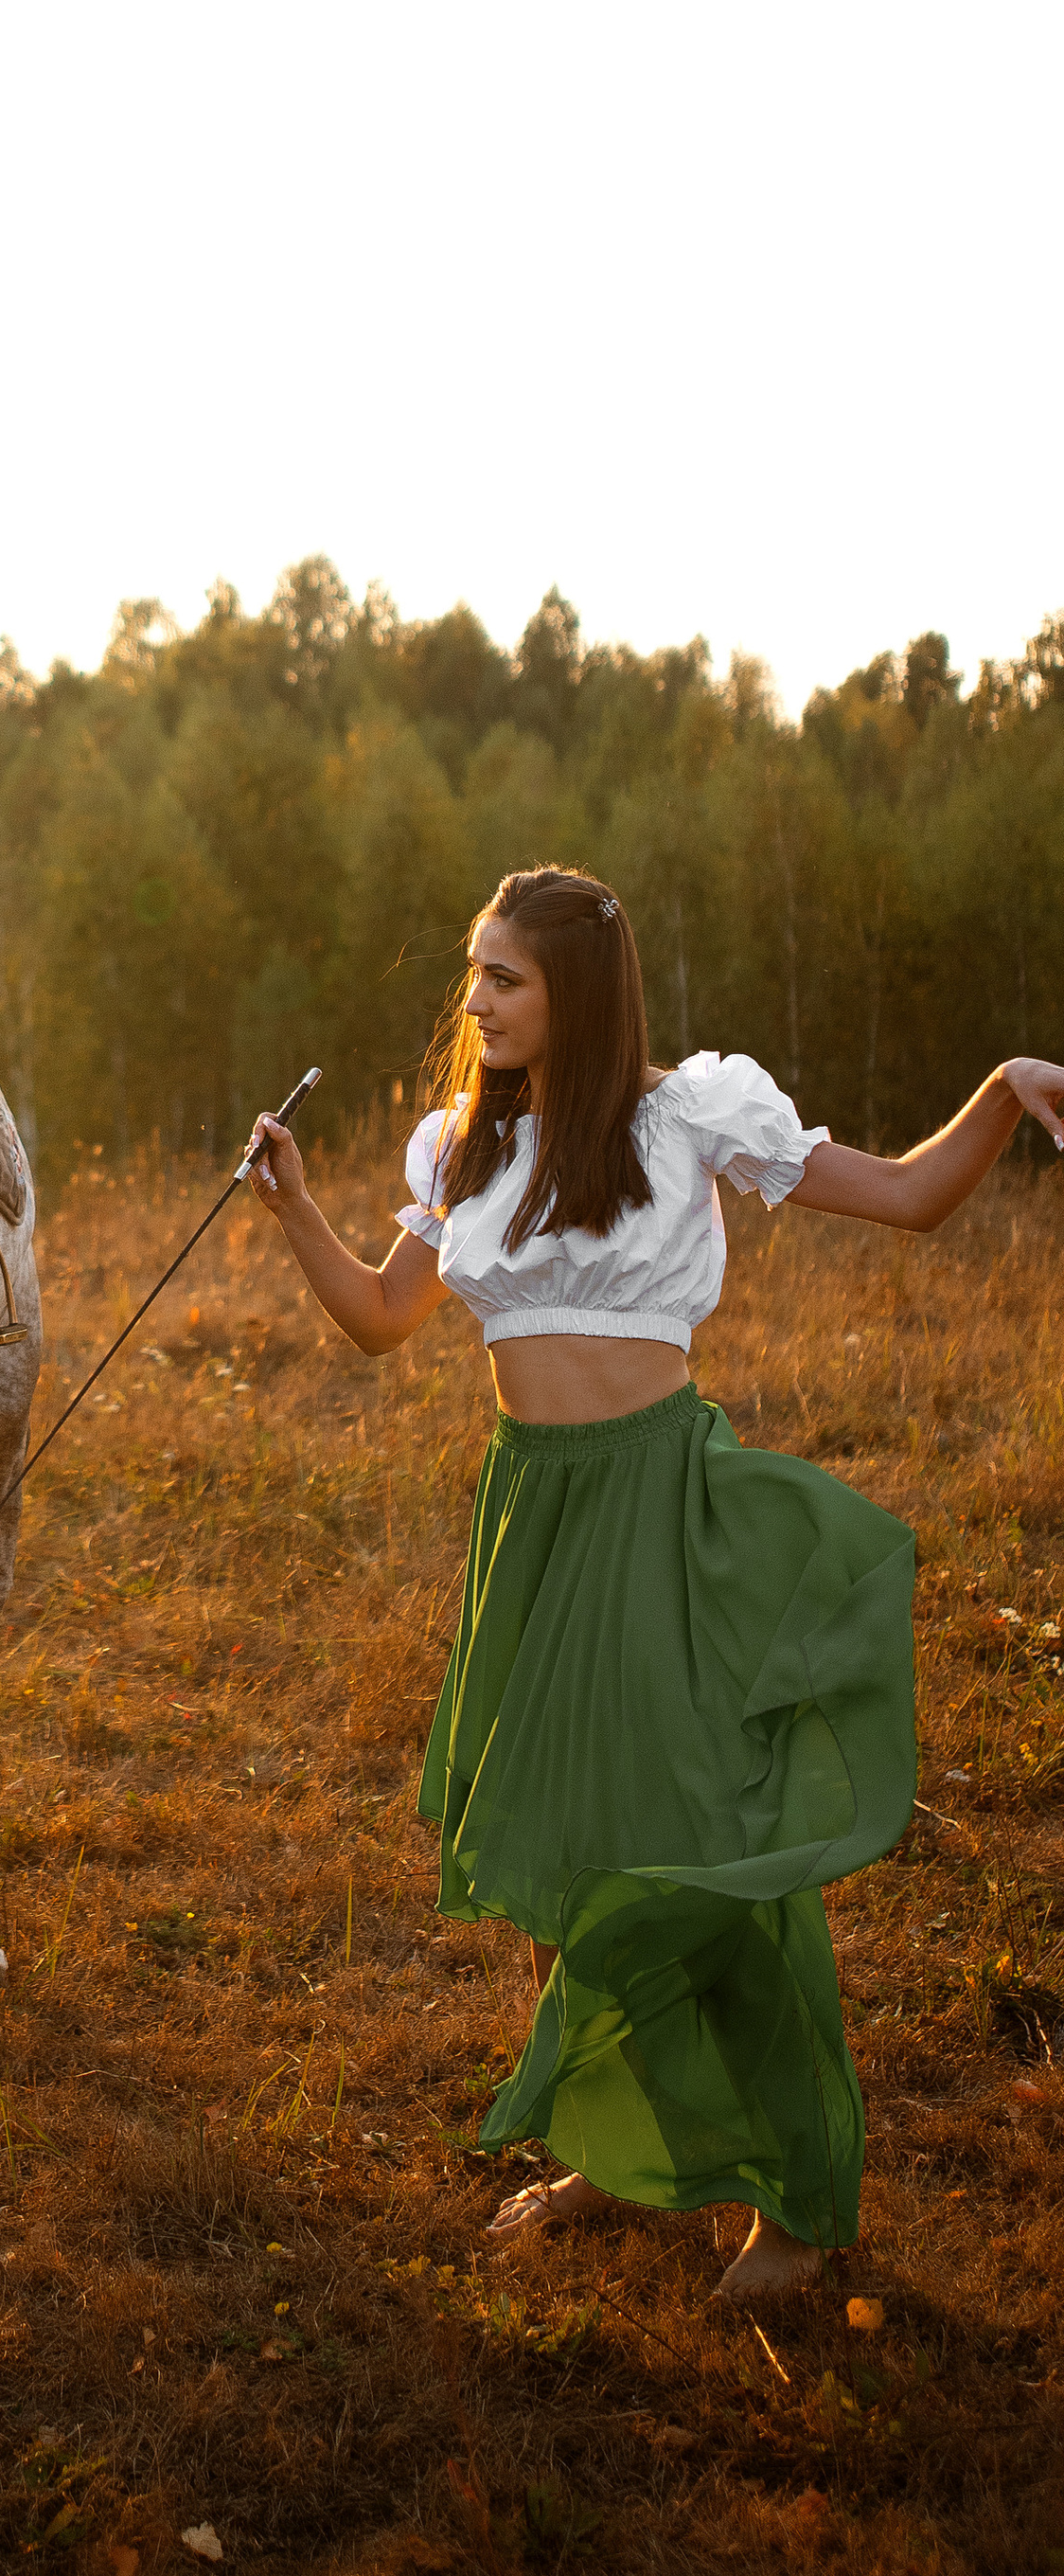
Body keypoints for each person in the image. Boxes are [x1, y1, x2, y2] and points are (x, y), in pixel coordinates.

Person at [243, 864, 1064, 2302]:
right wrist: (297, 1205)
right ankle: (616, 2146)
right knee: (559, 1842)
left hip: (655, 1501)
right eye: (475, 972)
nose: (476, 1000)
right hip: (533, 1514)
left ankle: (796, 2204)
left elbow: (911, 1198)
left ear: (578, 991)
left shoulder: (687, 1115)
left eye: (504, 976)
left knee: (698, 1849)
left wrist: (1001, 1090)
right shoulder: (464, 1146)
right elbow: (380, 1315)